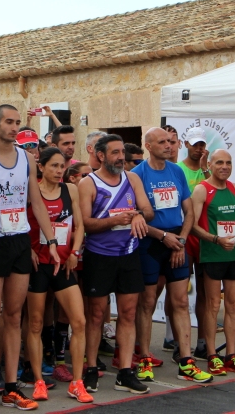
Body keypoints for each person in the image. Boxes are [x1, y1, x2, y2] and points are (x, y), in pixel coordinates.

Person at [0, 104, 60, 412]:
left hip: (21, 241)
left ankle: (10, 386)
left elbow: (35, 201)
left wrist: (50, 240)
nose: (14, 127)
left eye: (17, 122)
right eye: (9, 122)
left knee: (14, 317)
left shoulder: (27, 159)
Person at [131, 129, 211, 384]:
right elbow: (136, 216)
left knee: (180, 302)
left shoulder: (176, 171)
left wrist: (182, 241)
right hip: (150, 241)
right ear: (148, 146)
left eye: (171, 142)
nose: (169, 146)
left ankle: (186, 361)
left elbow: (188, 212)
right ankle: (143, 356)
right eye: (162, 142)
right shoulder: (137, 175)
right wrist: (162, 237)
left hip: (177, 240)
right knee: (147, 302)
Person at [78, 134, 153, 395]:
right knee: (97, 315)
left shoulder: (132, 179)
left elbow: (148, 211)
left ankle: (125, 372)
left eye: (122, 152)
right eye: (115, 153)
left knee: (128, 314)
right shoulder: (88, 183)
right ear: (101, 156)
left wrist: (137, 217)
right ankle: (90, 368)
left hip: (129, 254)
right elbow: (85, 224)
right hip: (99, 256)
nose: (121, 157)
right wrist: (115, 220)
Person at [26, 148, 93, 404]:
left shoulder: (71, 190)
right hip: (39, 264)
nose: (58, 171)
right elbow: (20, 223)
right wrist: (29, 250)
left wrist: (75, 251)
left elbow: (79, 225)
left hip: (64, 263)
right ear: (41, 167)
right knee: (35, 323)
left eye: (61, 167)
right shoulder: (33, 192)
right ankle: (38, 380)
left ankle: (77, 382)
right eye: (53, 166)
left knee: (79, 322)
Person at [190, 149, 235, 376]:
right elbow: (192, 225)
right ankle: (212, 355)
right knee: (212, 306)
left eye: (228, 163)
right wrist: (216, 240)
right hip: (212, 254)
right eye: (219, 162)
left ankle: (231, 354)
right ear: (209, 165)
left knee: (233, 306)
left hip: (233, 254)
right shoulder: (202, 190)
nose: (225, 167)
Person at [177, 127, 211, 358]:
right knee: (179, 293)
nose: (199, 149)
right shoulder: (178, 170)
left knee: (205, 293)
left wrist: (206, 169)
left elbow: (215, 191)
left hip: (205, 236)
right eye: (195, 145)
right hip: (184, 235)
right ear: (186, 144)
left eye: (202, 145)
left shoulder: (208, 171)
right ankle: (177, 340)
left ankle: (201, 342)